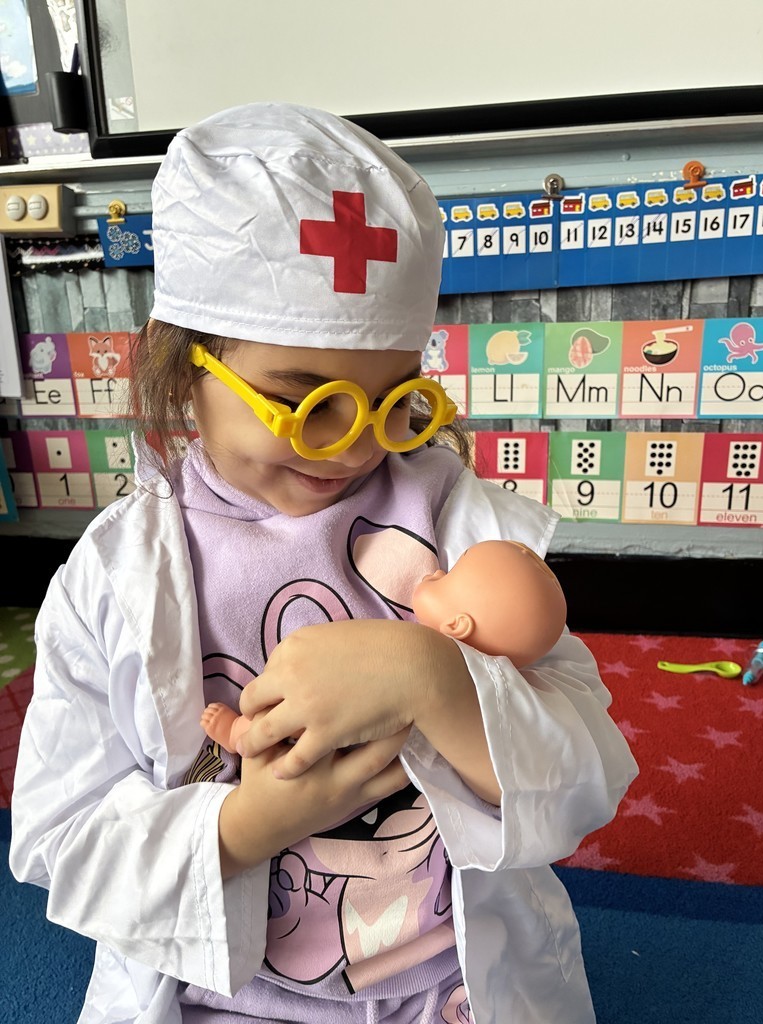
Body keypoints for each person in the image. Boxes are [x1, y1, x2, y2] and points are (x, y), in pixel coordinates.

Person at [9, 102, 638, 1024]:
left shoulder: (454, 527)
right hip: (223, 1000)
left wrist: (433, 678)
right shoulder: (113, 576)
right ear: (182, 369)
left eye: (394, 403)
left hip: (450, 991)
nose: (351, 447)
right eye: (304, 402)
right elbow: (58, 840)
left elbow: (587, 777)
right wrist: (249, 824)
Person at [203, 539, 569, 755]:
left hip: (342, 716)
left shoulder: (440, 665)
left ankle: (238, 734)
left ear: (458, 626)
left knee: (287, 720)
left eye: (449, 576)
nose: (436, 572)